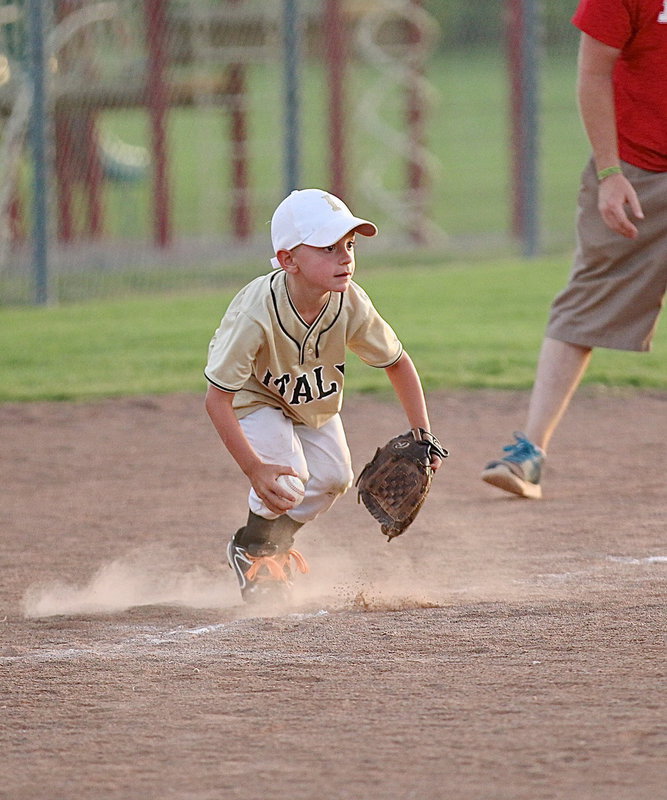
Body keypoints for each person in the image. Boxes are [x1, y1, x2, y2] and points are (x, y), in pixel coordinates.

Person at [204, 188, 443, 602]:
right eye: (328, 248)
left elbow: (397, 363)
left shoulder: (349, 301)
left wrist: (422, 433)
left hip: (311, 398)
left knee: (334, 477)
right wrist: (254, 469)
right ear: (288, 260)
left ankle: (273, 543)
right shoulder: (255, 315)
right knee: (287, 479)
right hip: (255, 395)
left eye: (349, 245)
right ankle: (252, 549)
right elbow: (216, 400)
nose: (346, 257)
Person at [482, 0, 667, 499]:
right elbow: (592, 74)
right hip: (638, 172)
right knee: (586, 303)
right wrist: (609, 174)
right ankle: (530, 454)